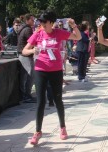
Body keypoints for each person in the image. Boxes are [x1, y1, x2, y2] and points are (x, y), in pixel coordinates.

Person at [22, 10, 81, 145]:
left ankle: (62, 127)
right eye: (40, 21)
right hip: (41, 70)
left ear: (51, 22)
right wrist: (32, 50)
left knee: (57, 99)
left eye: (43, 21)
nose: (41, 24)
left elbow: (77, 37)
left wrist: (74, 26)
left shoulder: (59, 33)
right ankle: (37, 132)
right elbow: (25, 50)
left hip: (55, 71)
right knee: (40, 101)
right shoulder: (38, 33)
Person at [17, 14, 36, 103]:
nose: (34, 21)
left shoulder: (23, 28)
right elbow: (32, 42)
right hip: (26, 55)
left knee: (24, 76)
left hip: (23, 55)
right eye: (32, 20)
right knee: (31, 75)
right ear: (27, 20)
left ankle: (24, 95)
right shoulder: (28, 29)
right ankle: (27, 95)